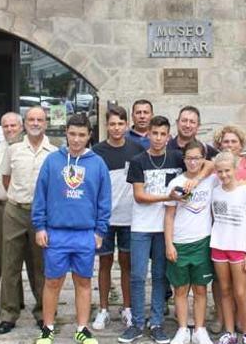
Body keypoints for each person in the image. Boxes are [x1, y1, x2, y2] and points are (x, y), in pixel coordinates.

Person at [32, 113, 111, 344]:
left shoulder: (97, 163)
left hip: (85, 234)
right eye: (72, 134)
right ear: (66, 133)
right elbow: (40, 195)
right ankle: (47, 328)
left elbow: (104, 200)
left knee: (83, 282)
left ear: (89, 136)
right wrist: (39, 226)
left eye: (81, 135)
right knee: (52, 282)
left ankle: (82, 328)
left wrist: (100, 231)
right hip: (56, 232)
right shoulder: (52, 161)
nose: (76, 139)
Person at [119, 115, 185, 344]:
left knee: (159, 276)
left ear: (169, 136)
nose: (158, 138)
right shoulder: (138, 160)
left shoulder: (177, 157)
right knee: (137, 275)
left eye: (162, 134)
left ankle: (156, 322)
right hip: (141, 226)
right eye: (154, 133)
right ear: (148, 135)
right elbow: (139, 196)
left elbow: (204, 165)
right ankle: (137, 322)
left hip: (165, 228)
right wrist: (168, 197)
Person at [0, 106, 58, 335]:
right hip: (14, 211)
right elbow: (6, 179)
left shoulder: (54, 152)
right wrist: (19, 199)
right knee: (10, 264)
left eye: (39, 119)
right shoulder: (13, 150)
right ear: (24, 123)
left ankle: (44, 313)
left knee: (40, 266)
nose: (35, 123)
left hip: (41, 215)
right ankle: (8, 314)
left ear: (45, 123)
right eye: (31, 119)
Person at [91, 106, 144, 330]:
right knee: (104, 262)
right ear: (107, 125)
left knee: (126, 264)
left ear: (126, 124)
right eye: (112, 124)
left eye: (120, 124)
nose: (116, 128)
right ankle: (103, 309)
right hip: (104, 218)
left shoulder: (137, 149)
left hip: (129, 217)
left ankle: (128, 308)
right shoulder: (96, 151)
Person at [164, 140, 217, 344]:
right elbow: (169, 216)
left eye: (197, 158)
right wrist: (169, 244)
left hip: (202, 242)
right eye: (189, 158)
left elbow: (215, 163)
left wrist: (198, 179)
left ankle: (200, 329)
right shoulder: (176, 183)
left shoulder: (210, 180)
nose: (193, 162)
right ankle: (183, 329)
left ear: (203, 159)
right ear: (183, 159)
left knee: (201, 288)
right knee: (180, 289)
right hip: (179, 242)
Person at [210, 151, 246, 344]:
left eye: (227, 170)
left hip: (239, 248)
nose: (224, 175)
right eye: (219, 171)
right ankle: (229, 333)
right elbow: (216, 217)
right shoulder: (216, 192)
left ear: (235, 168)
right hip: (219, 246)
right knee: (225, 291)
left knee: (240, 292)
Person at [0, 112, 24, 310]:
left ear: (21, 126)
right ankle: (13, 302)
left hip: (28, 209)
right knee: (7, 258)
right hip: (3, 207)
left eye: (14, 126)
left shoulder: (29, 148)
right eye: (6, 126)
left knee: (34, 260)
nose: (10, 129)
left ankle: (42, 308)